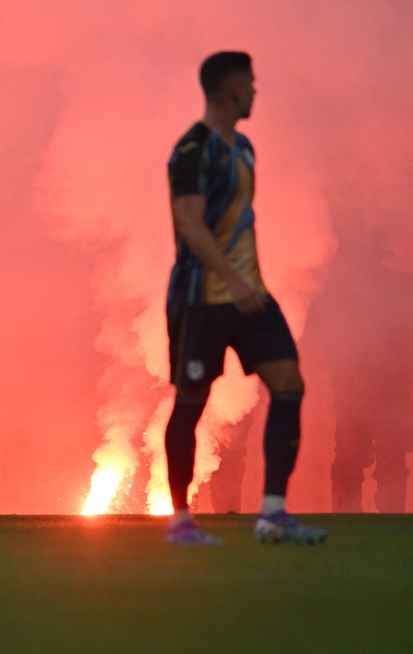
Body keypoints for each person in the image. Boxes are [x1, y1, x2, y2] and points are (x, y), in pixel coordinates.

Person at [163, 51, 325, 545]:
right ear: (232, 90)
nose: (255, 92)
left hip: (250, 294)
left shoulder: (246, 149)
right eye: (250, 84)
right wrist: (232, 278)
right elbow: (190, 224)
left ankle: (272, 514)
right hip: (203, 297)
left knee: (289, 381)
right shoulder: (192, 151)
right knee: (191, 402)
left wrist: (247, 281)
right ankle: (180, 520)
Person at [303, 226, 413, 512]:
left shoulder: (332, 292)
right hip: (389, 390)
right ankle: (391, 526)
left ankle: (347, 526)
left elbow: (309, 334)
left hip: (355, 391)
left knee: (350, 463)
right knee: (389, 463)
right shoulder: (407, 287)